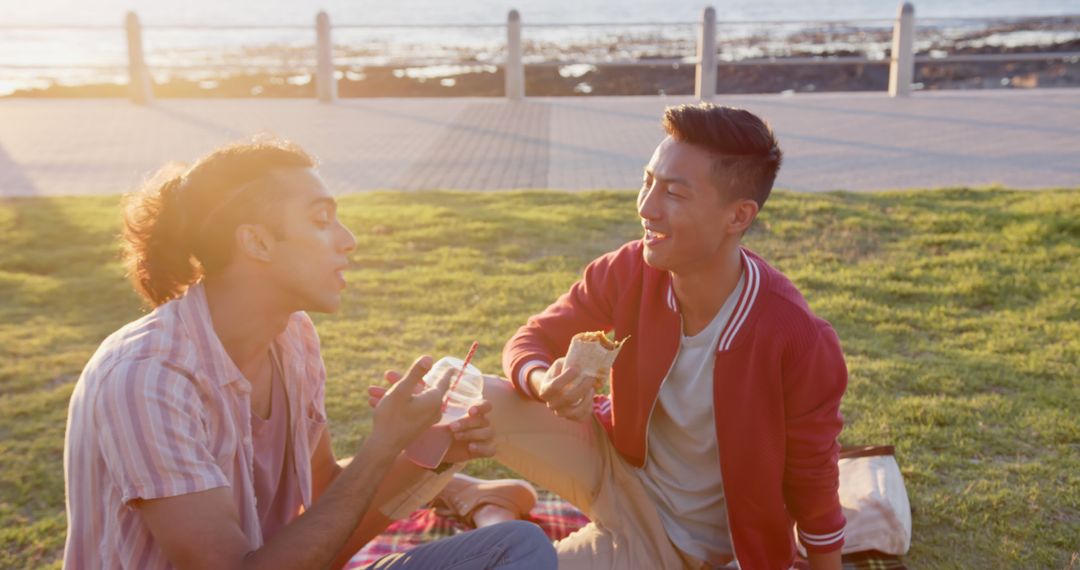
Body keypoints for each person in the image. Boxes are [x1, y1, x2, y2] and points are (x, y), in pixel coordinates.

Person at [62, 138, 556, 570]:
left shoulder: (291, 336)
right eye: (322, 220)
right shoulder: (147, 380)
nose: (349, 241)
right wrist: (380, 447)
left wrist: (431, 451)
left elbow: (327, 501)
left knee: (516, 547)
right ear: (256, 241)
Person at [476, 103, 848, 569]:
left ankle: (488, 507)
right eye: (647, 181)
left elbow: (813, 472)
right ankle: (367, 523)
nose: (646, 207)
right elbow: (532, 338)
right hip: (614, 467)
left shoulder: (796, 337)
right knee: (452, 394)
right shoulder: (628, 270)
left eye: (673, 193)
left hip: (678, 546)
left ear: (737, 217)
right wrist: (540, 382)